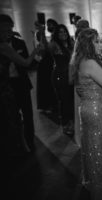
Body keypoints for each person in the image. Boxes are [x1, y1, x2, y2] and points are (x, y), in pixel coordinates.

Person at [69, 28, 102, 200]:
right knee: (101, 152)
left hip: (87, 108)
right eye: (98, 41)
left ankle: (98, 187)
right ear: (89, 44)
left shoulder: (81, 61)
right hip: (96, 110)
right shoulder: (90, 63)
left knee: (93, 150)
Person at [0, 14, 41, 153]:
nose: (8, 33)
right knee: (11, 119)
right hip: (6, 86)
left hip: (20, 83)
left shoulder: (19, 42)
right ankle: (16, 144)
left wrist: (36, 53)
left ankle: (29, 142)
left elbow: (26, 64)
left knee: (27, 114)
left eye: (9, 29)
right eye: (4, 30)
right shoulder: (4, 46)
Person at [49, 24, 75, 135]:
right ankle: (65, 125)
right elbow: (47, 48)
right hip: (60, 76)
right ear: (56, 34)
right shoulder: (55, 45)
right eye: (60, 32)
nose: (63, 34)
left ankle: (72, 123)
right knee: (64, 101)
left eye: (64, 31)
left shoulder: (70, 43)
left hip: (70, 75)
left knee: (71, 100)